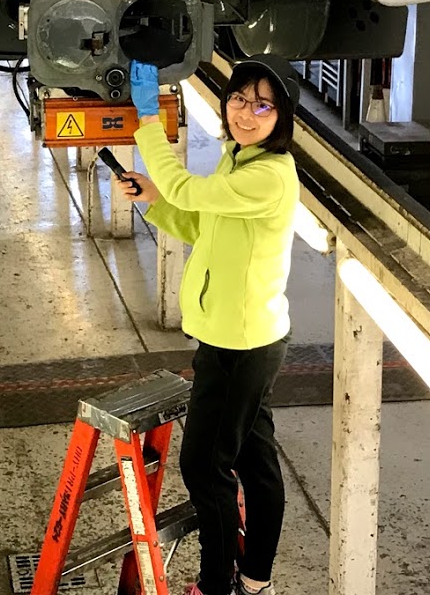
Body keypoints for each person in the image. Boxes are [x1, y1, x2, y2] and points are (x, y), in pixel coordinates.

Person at [121, 56, 302, 595]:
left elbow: (185, 189)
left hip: (237, 346)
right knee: (255, 461)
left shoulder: (268, 175)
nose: (246, 112)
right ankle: (255, 579)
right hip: (245, 336)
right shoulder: (240, 159)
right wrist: (153, 203)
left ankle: (216, 586)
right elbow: (200, 221)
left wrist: (149, 122)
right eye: (240, 99)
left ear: (282, 117)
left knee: (205, 468)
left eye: (262, 105)